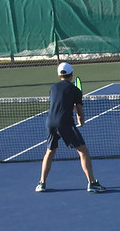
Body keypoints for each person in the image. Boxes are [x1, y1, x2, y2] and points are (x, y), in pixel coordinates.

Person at [35, 62, 105, 193]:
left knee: (49, 152)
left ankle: (41, 183)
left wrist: (69, 106)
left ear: (58, 75)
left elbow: (59, 103)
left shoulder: (53, 88)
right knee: (83, 151)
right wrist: (81, 121)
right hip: (65, 122)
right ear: (71, 75)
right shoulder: (75, 90)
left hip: (50, 122)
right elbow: (79, 110)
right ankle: (92, 183)